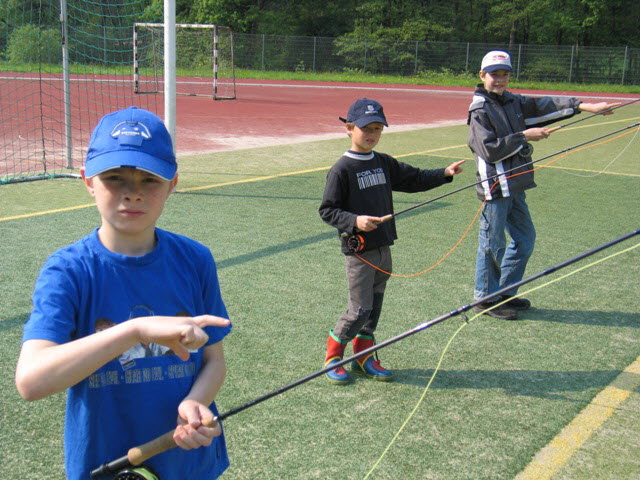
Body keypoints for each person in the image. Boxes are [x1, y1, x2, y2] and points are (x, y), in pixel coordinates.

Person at [15, 106, 233, 480]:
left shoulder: (195, 259)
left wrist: (196, 402)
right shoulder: (68, 270)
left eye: (150, 180)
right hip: (105, 462)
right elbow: (32, 381)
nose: (132, 194)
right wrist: (135, 331)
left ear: (173, 183)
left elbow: (213, 361)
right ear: (87, 181)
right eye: (115, 177)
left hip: (187, 461)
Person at [319, 98, 465, 384]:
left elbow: (414, 179)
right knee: (359, 308)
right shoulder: (342, 169)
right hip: (359, 251)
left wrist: (444, 174)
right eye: (366, 129)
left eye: (377, 128)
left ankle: (363, 356)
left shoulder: (382, 162)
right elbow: (328, 210)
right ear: (349, 128)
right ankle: (334, 356)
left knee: (374, 305)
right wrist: (355, 221)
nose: (372, 134)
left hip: (384, 245)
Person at [467, 51, 619, 320]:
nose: (500, 79)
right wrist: (525, 135)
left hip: (516, 184)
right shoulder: (480, 109)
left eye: (504, 74)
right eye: (494, 74)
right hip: (496, 186)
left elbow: (543, 106)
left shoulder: (512, 101)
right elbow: (488, 150)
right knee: (493, 244)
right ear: (482, 75)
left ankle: (503, 292)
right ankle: (484, 298)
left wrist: (587, 106)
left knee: (525, 239)